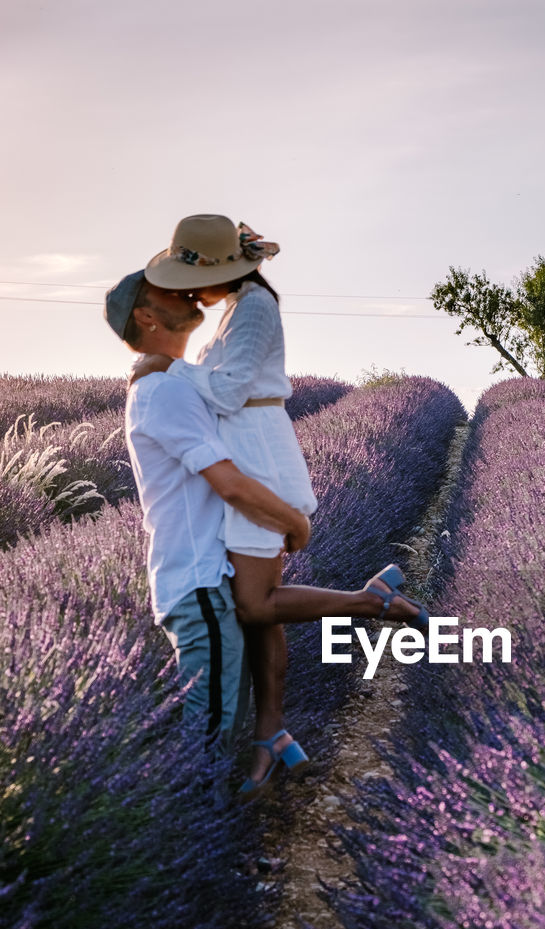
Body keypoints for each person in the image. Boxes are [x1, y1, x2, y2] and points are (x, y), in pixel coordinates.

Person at [131, 215, 429, 795]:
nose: (190, 293)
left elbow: (228, 390)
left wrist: (168, 366)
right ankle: (272, 734)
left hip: (258, 458)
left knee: (256, 603)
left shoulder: (255, 309)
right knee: (259, 610)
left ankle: (372, 602)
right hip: (249, 449)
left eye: (194, 281)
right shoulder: (238, 307)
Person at [103, 267, 311, 758]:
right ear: (147, 316)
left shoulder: (177, 382)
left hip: (204, 583)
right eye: (166, 291)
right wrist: (292, 522)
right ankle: (197, 823)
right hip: (197, 587)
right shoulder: (165, 390)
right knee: (209, 742)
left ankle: (261, 759)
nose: (184, 290)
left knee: (219, 730)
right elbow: (230, 484)